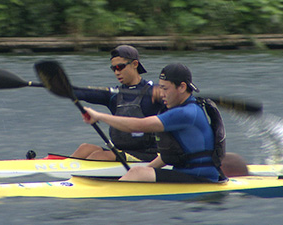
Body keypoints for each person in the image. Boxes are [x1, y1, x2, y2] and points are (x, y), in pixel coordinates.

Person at [83, 63, 225, 182]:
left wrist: (99, 116)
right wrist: (144, 171)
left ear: (182, 87)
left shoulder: (186, 113)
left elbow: (138, 126)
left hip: (201, 178)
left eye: (165, 88)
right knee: (139, 172)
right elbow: (167, 156)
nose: (160, 93)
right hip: (187, 174)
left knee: (138, 173)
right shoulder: (182, 109)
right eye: (160, 87)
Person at [69, 45, 163, 162]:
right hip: (121, 152)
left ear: (135, 64)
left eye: (120, 67)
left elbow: (186, 102)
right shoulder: (114, 95)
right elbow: (83, 93)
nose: (117, 72)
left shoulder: (155, 92)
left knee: (99, 156)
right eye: (114, 69)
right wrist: (62, 88)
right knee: (85, 149)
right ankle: (68, 176)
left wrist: (166, 94)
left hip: (149, 154)